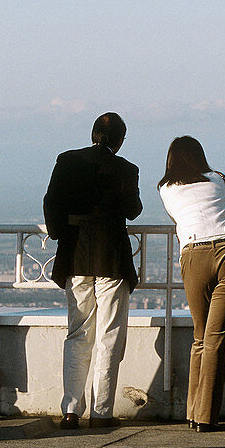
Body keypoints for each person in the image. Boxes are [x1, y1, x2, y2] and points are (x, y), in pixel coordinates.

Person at [43, 112, 143, 430]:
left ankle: (71, 409)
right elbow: (133, 209)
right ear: (120, 141)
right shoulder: (126, 169)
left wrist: (59, 231)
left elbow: (51, 201)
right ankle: (101, 411)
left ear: (92, 134)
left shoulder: (67, 161)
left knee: (78, 333)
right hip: (111, 256)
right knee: (109, 335)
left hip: (74, 254)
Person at [158, 136, 225, 432]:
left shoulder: (166, 189)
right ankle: (206, 416)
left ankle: (193, 412)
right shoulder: (218, 178)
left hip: (193, 254)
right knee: (216, 335)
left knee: (200, 336)